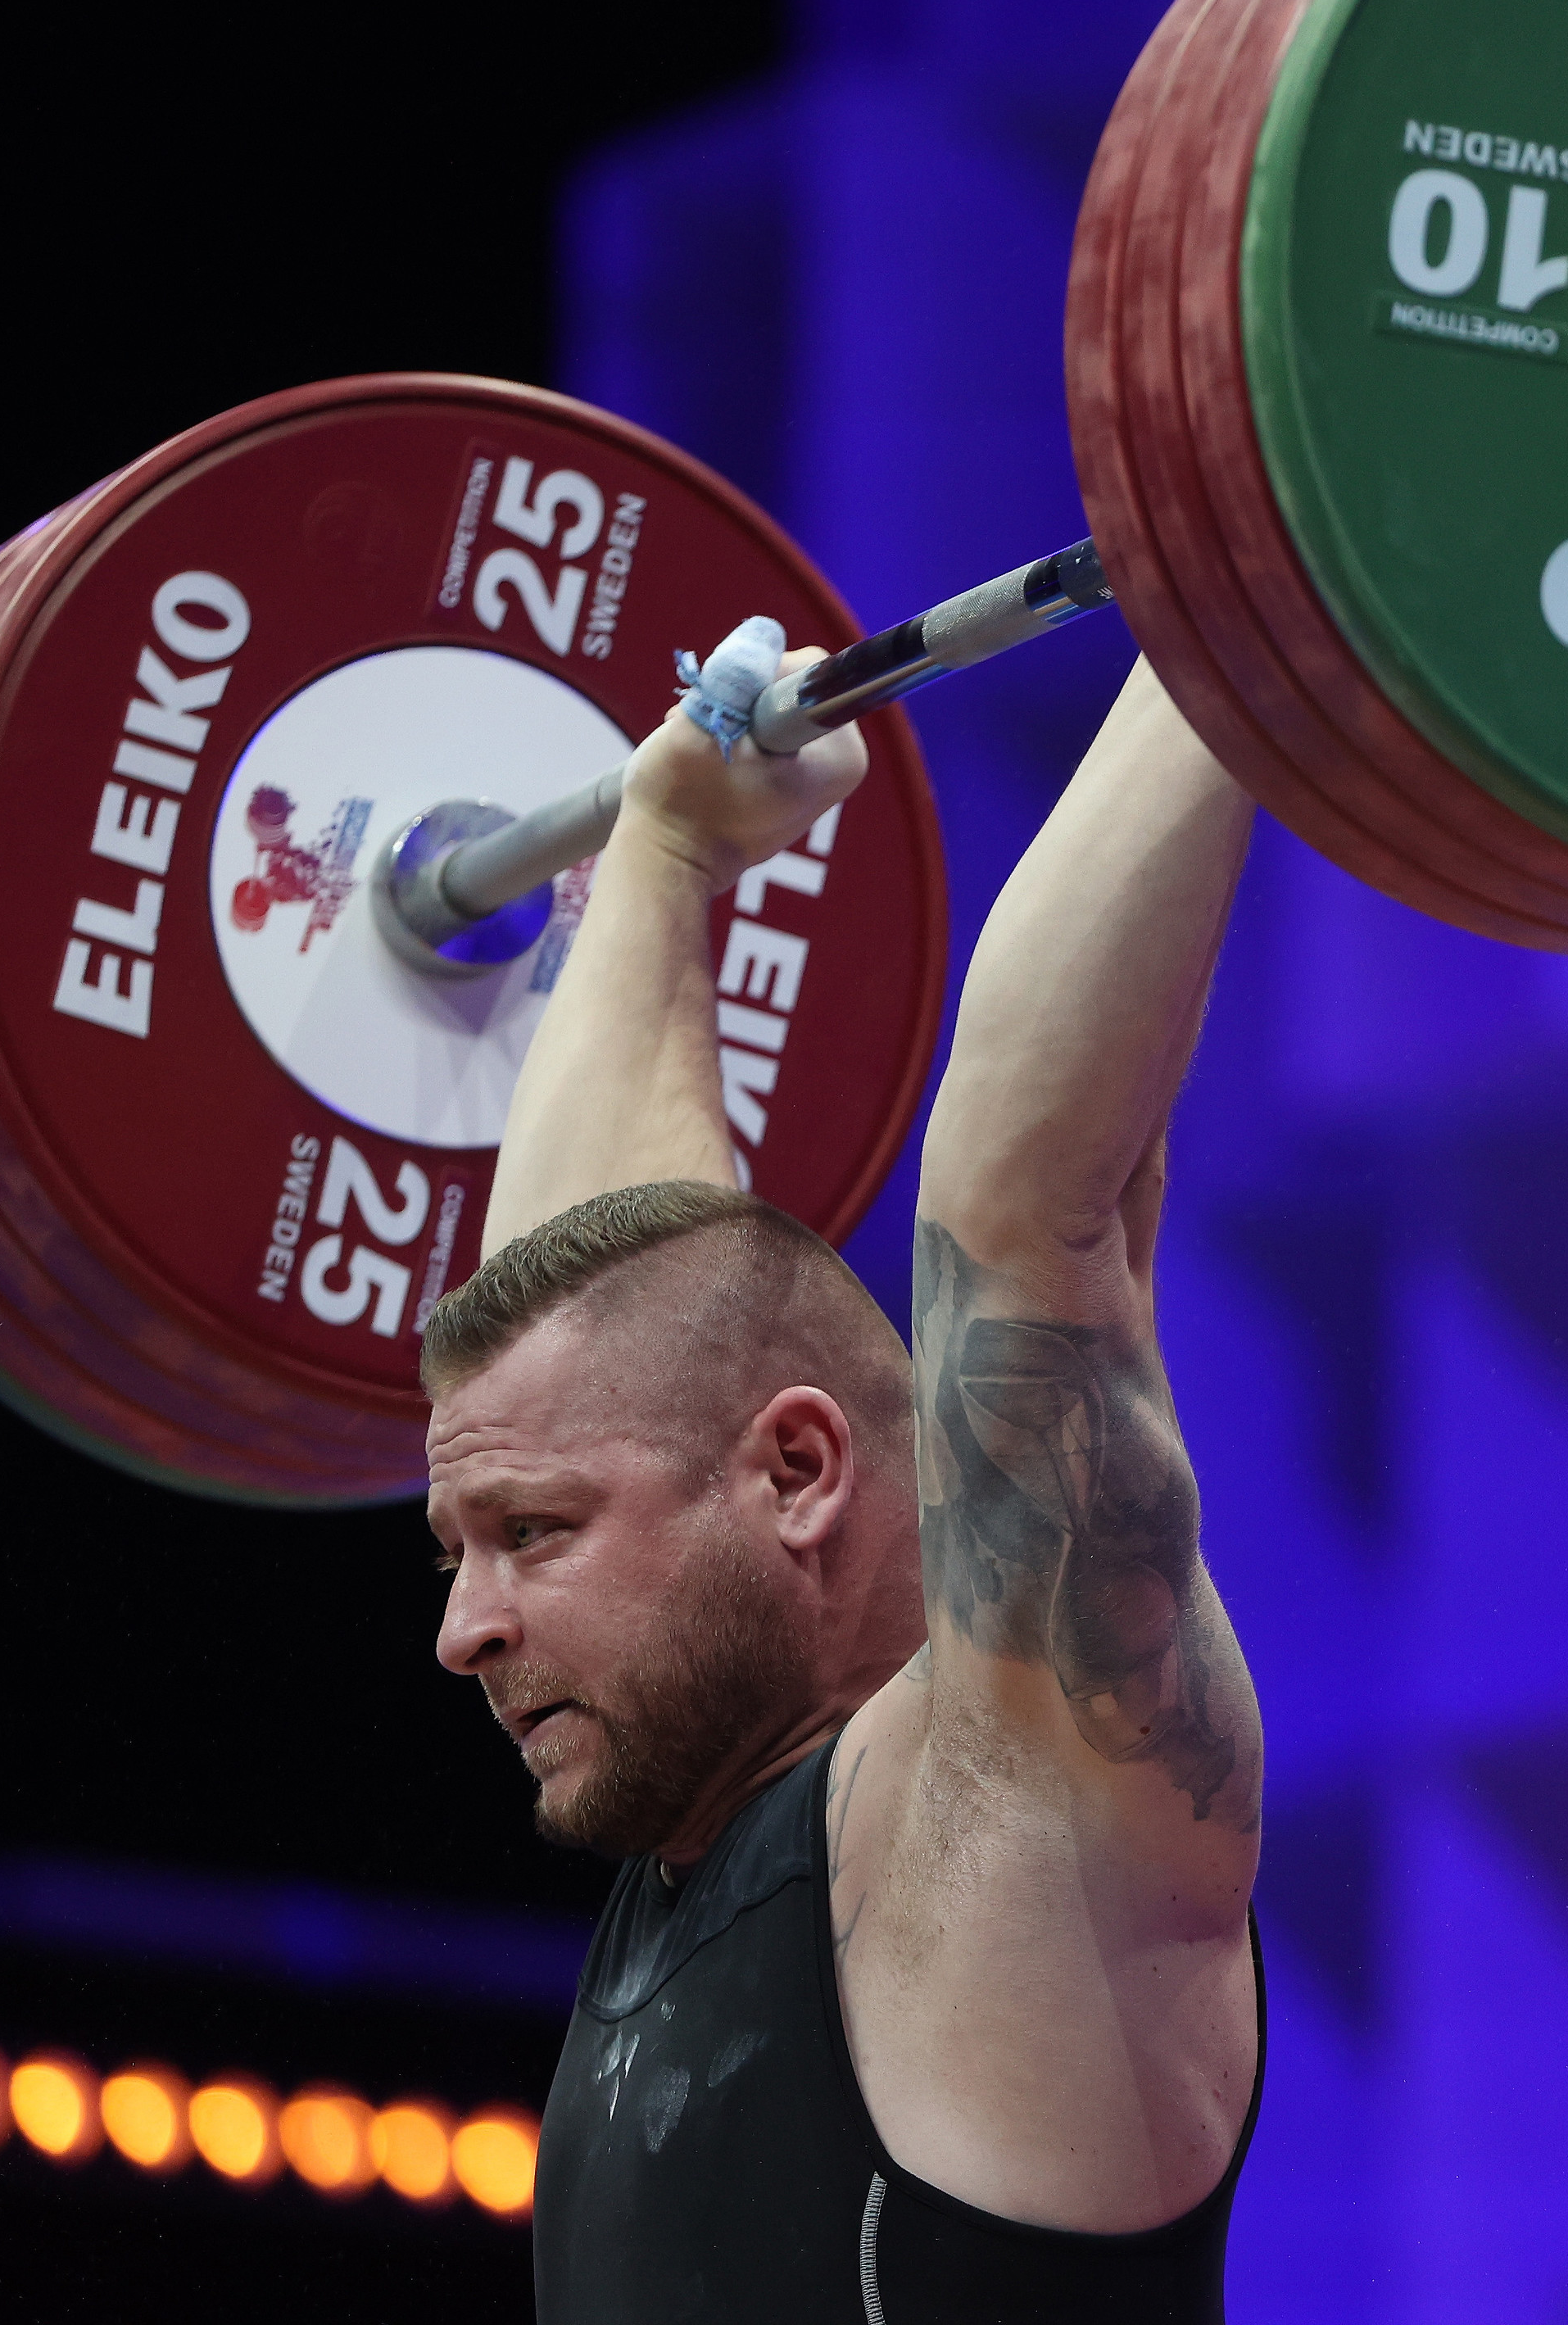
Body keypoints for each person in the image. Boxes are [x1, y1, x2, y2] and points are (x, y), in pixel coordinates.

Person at [421, 640, 1265, 2322]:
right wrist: (664, 848)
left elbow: (1031, 1204)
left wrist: (1248, 592)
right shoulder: (703, 1828)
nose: (463, 1631)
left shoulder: (1012, 1836)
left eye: (530, 1538)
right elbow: (609, 1311)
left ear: (799, 1473)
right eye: (455, 1552)